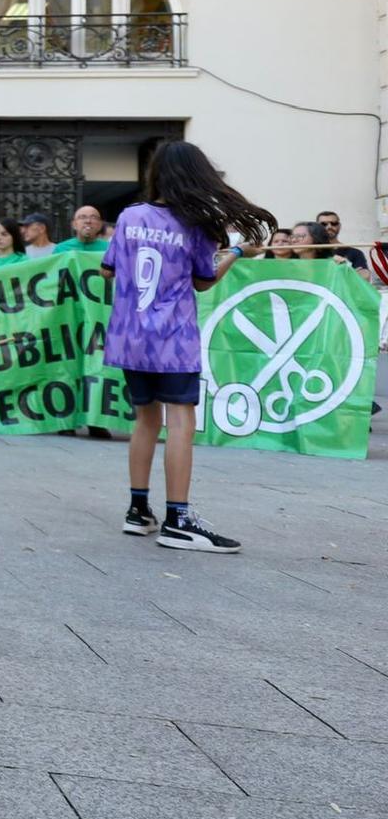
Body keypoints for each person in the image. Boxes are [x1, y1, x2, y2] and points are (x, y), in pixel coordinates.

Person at [104, 141, 274, 552]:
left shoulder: (129, 217)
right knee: (180, 421)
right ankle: (179, 518)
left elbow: (107, 269)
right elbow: (203, 279)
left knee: (144, 420)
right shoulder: (196, 224)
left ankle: (138, 510)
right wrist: (236, 251)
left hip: (130, 336)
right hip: (172, 338)